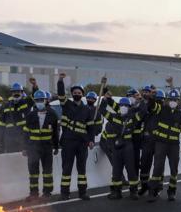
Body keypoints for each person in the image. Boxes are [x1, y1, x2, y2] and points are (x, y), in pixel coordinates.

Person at [57, 73, 95, 201]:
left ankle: (82, 192)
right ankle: (64, 193)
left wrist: (91, 140)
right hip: (68, 142)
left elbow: (91, 127)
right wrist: (60, 81)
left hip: (82, 144)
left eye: (79, 92)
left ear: (82, 94)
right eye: (75, 92)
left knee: (82, 170)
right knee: (66, 169)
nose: (77, 94)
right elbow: (61, 94)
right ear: (72, 94)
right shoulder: (66, 104)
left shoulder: (87, 110)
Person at [147, 89, 181, 202]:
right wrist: (151, 97)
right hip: (161, 144)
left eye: (175, 100)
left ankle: (171, 192)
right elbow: (152, 106)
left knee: (174, 170)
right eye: (171, 99)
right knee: (157, 168)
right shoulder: (162, 109)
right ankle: (152, 191)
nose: (173, 101)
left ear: (178, 101)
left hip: (174, 146)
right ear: (167, 100)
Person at [100, 97, 140, 200]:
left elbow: (143, 111)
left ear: (129, 107)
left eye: (126, 106)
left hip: (128, 146)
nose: (123, 107)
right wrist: (105, 100)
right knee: (116, 170)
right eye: (122, 105)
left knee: (131, 169)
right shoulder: (113, 117)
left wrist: (139, 100)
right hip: (116, 146)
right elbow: (102, 110)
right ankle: (117, 192)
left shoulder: (133, 118)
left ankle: (133, 191)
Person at [22, 90, 59, 201]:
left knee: (47, 171)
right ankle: (33, 193)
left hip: (47, 148)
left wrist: (56, 146)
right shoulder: (30, 115)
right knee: (33, 172)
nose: (39, 102)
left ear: (45, 100)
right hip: (33, 148)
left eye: (41, 100)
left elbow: (55, 133)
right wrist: (24, 148)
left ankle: (47, 192)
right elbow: (25, 133)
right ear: (34, 101)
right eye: (37, 100)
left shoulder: (52, 114)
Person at [138, 84, 159, 196]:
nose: (146, 93)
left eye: (148, 92)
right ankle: (144, 186)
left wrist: (152, 97)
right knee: (145, 164)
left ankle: (157, 187)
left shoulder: (156, 103)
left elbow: (153, 107)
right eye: (144, 92)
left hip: (156, 140)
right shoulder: (140, 104)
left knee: (157, 165)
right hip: (145, 140)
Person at [0, 83, 31, 153]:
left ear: (22, 93)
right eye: (14, 92)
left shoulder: (25, 103)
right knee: (10, 158)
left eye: (18, 92)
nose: (16, 93)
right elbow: (1, 124)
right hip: (10, 137)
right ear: (12, 93)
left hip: (22, 136)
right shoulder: (6, 105)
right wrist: (1, 141)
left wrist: (34, 86)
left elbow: (33, 98)